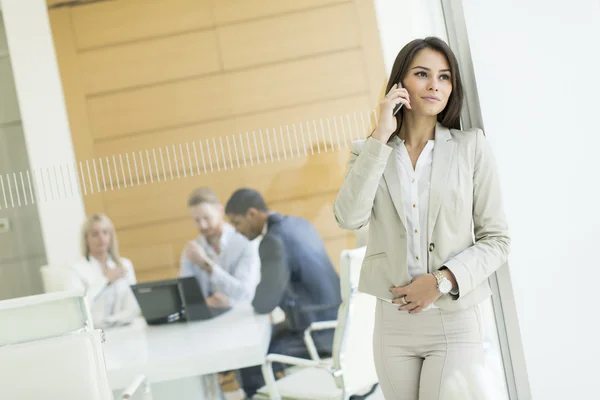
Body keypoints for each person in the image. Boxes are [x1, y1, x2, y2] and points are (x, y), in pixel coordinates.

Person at [333, 37, 510, 400]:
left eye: (444, 77)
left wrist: (442, 281)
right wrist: (380, 136)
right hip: (393, 325)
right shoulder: (370, 152)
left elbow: (497, 239)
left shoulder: (471, 148)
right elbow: (349, 218)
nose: (434, 85)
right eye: (422, 74)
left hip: (452, 319)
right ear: (400, 84)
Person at [225, 188, 342, 398]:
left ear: (252, 214)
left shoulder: (273, 240)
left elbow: (264, 302)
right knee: (268, 338)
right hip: (338, 321)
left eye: (237, 223)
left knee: (249, 359)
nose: (237, 231)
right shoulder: (300, 224)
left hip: (315, 331)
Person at [179, 187, 260, 308]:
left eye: (207, 218)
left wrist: (206, 265)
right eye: (197, 220)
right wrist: (206, 304)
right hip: (205, 321)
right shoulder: (191, 250)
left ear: (220, 211)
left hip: (243, 317)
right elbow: (185, 297)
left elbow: (245, 293)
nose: (202, 225)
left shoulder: (245, 242)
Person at [69, 214, 140, 328]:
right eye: (95, 234)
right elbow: (79, 309)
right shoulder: (76, 270)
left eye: (105, 232)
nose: (101, 238)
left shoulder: (124, 265)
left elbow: (133, 308)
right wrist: (105, 280)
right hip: (94, 334)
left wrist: (108, 322)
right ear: (86, 239)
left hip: (123, 329)